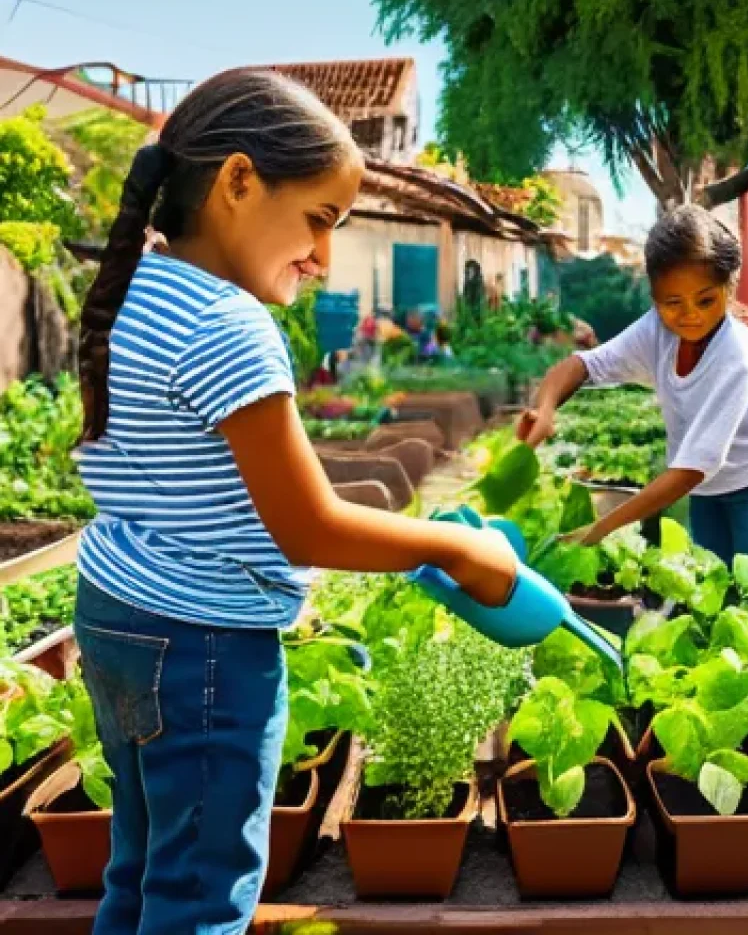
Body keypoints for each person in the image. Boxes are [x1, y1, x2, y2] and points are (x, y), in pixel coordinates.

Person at [72, 68, 517, 935]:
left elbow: (217, 480)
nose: (324, 258)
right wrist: (458, 549)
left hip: (116, 616)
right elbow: (305, 523)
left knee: (137, 877)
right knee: (200, 897)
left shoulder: (135, 292)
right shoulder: (228, 324)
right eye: (320, 219)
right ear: (239, 181)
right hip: (202, 644)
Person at [517, 204, 748, 566]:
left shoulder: (736, 355)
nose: (690, 315)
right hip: (708, 484)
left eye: (706, 300)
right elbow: (584, 364)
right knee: (710, 580)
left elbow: (689, 471)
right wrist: (544, 408)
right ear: (654, 297)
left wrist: (603, 527)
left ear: (729, 288)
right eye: (673, 303)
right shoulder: (656, 330)